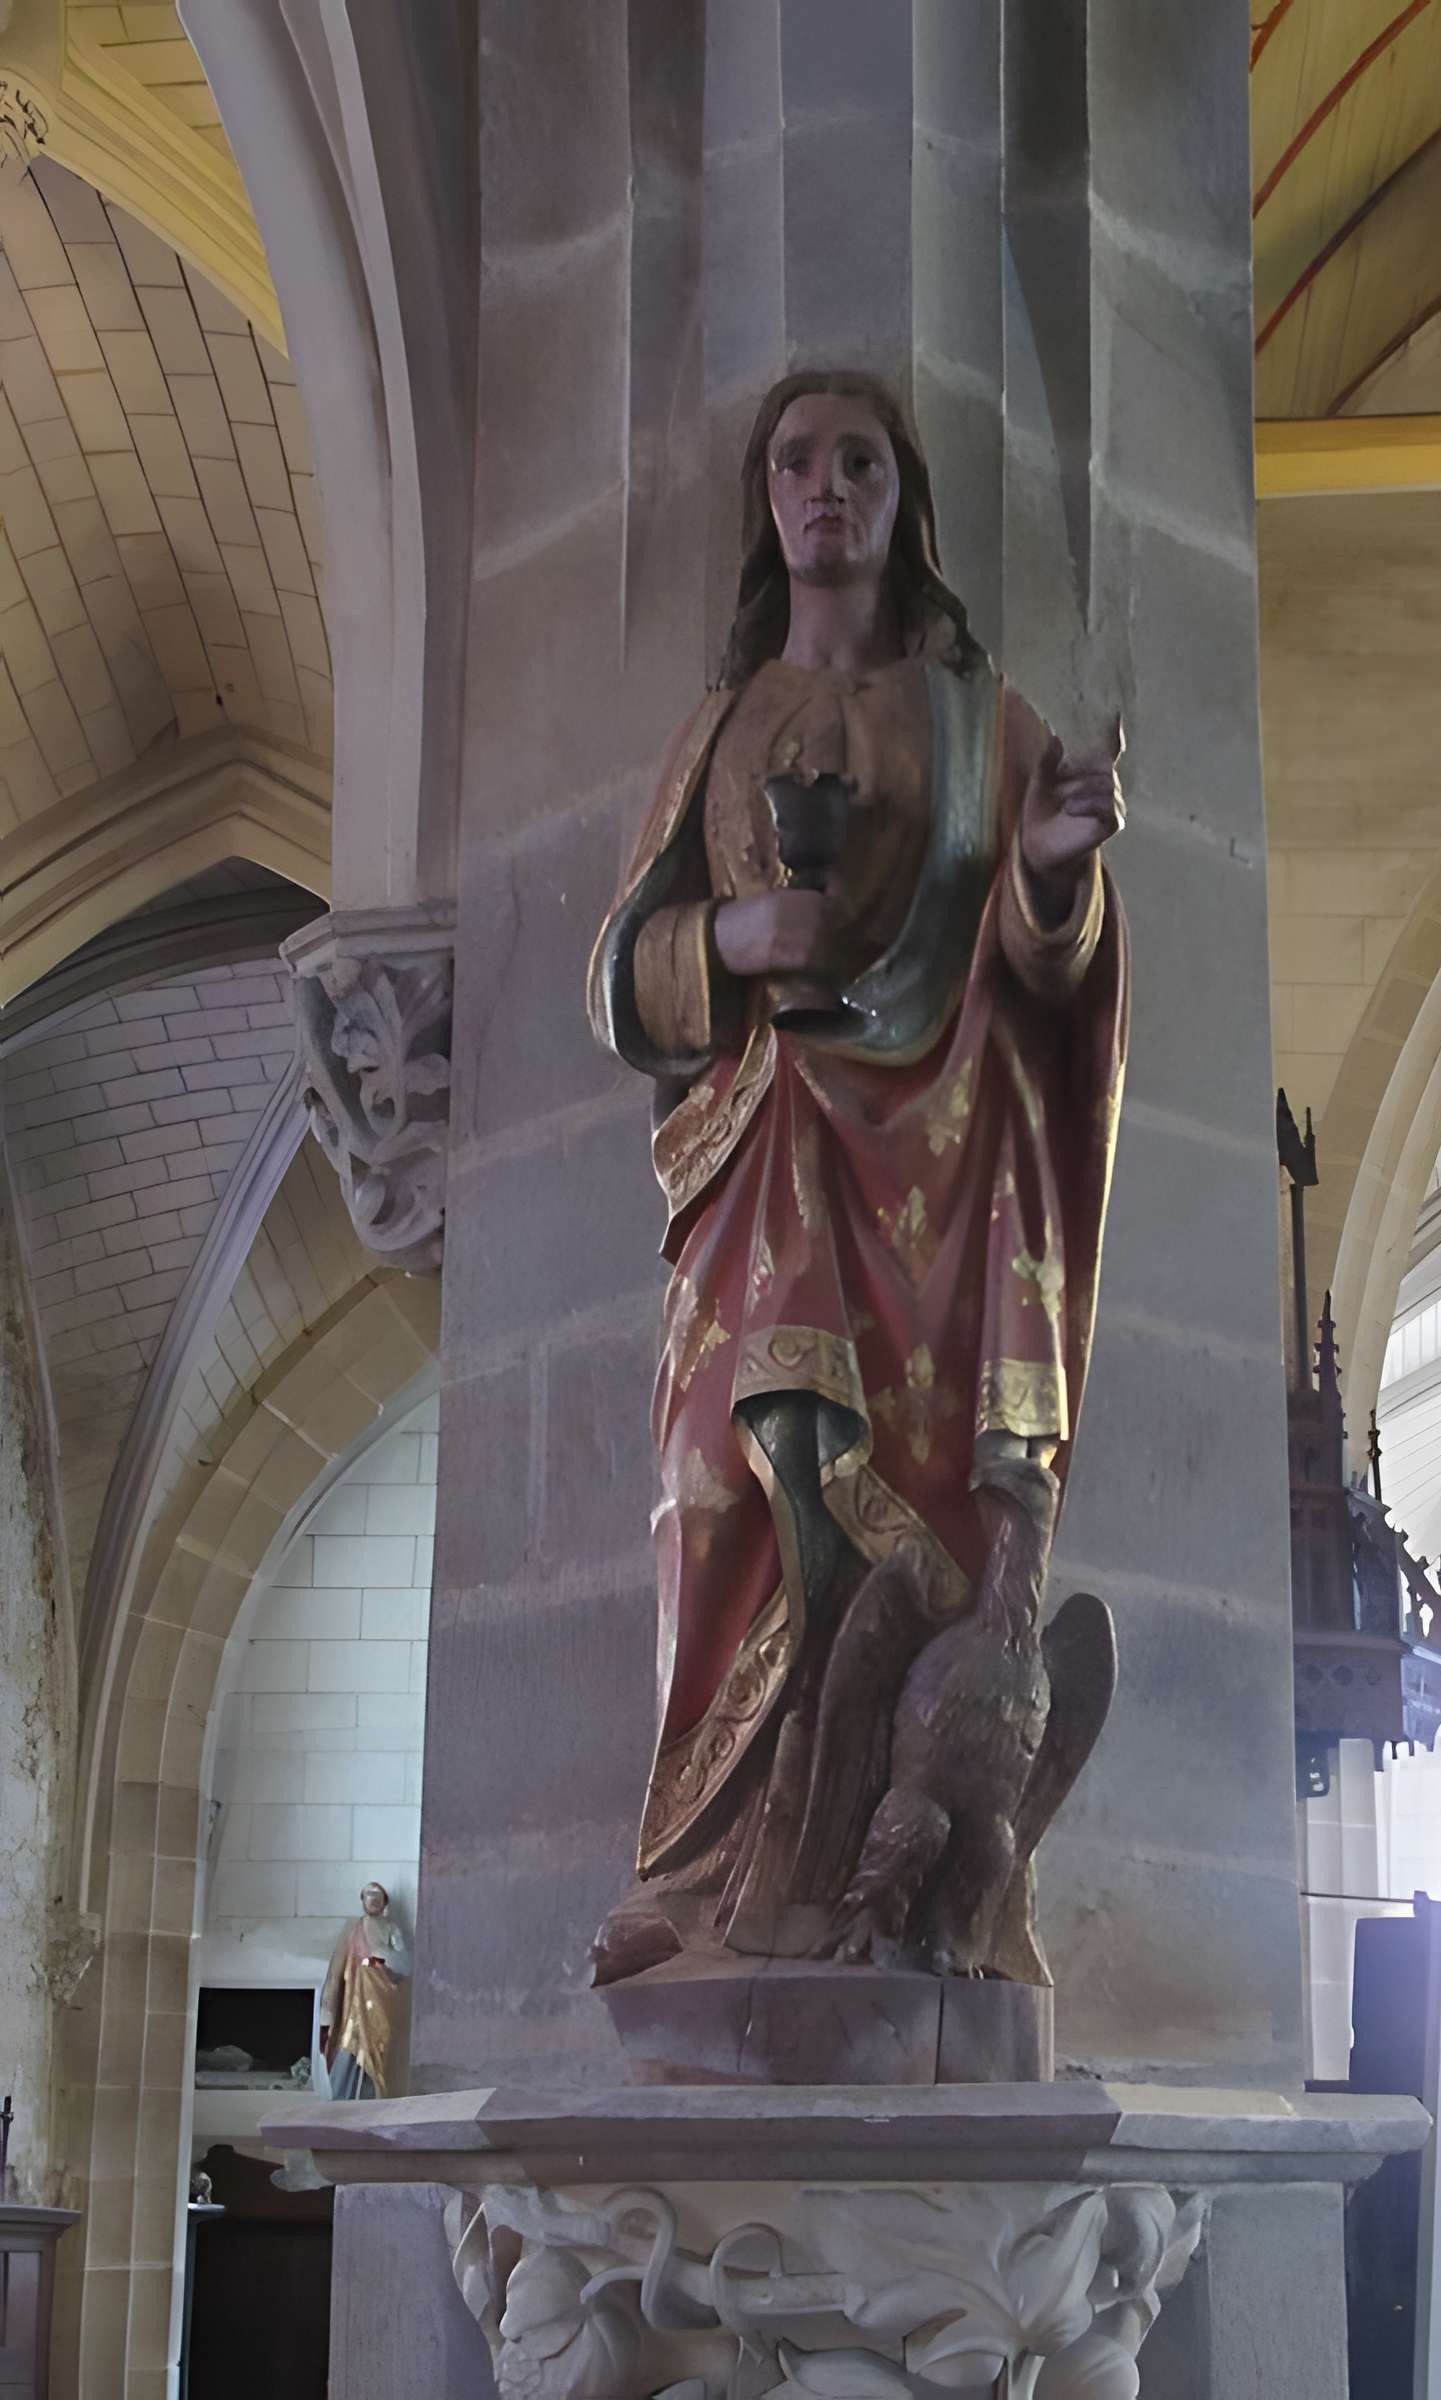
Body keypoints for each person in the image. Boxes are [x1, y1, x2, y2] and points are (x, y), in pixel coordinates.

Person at [589, 368, 1128, 1975]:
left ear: (905, 500)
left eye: (862, 463)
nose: (827, 487)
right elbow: (614, 981)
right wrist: (732, 937)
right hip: (763, 1146)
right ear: (766, 500)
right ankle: (697, 1874)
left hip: (947, 1182)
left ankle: (890, 1872)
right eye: (799, 464)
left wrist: (1049, 880)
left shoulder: (983, 720)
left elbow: (1059, 981)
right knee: (713, 1489)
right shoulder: (717, 729)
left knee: (938, 1521)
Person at [319, 1881, 409, 2098]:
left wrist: (382, 1962)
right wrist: (327, 2013)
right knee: (350, 2044)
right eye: (369, 1894)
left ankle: (378, 2094)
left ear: (385, 1902)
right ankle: (346, 2096)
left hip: (380, 1995)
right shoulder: (352, 1929)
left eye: (378, 1895)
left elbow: (405, 1962)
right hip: (353, 2002)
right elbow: (335, 1974)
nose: (374, 1899)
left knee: (380, 2046)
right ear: (362, 1899)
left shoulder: (391, 1927)